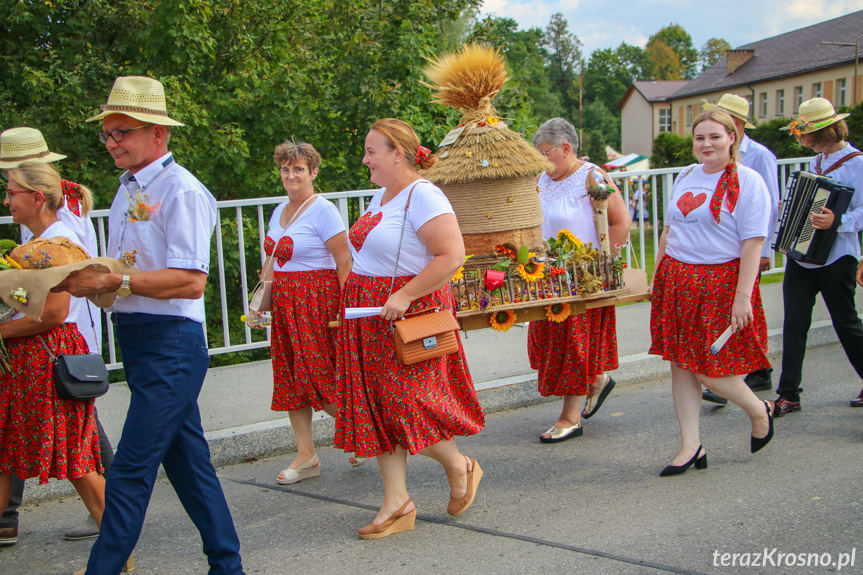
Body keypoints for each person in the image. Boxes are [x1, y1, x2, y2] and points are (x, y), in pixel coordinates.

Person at [55, 76, 243, 574]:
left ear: (157, 133)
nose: (113, 142)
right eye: (108, 134)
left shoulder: (181, 190)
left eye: (123, 132)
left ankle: (104, 568)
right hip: (142, 340)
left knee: (130, 470)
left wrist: (114, 279)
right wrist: (85, 284)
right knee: (189, 468)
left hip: (171, 345)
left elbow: (189, 281)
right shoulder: (127, 190)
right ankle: (228, 566)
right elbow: (126, 274)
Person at [335, 118, 484, 539]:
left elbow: (452, 254)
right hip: (369, 316)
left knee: (408, 404)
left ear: (397, 153)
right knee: (379, 408)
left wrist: (402, 295)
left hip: (406, 314)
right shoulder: (380, 196)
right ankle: (396, 502)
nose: (364, 159)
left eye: (371, 151)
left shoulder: (424, 195)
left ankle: (460, 465)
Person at [0, 127, 113, 546]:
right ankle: (118, 535)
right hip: (34, 357)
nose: (6, 199)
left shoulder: (55, 243)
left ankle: (118, 536)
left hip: (47, 357)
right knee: (12, 451)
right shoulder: (35, 240)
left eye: (11, 192)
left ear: (36, 197)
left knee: (76, 459)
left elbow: (55, 313)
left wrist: (2, 328)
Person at [649, 108, 777, 476]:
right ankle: (691, 445)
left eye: (715, 137)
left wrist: (743, 296)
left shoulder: (748, 181)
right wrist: (659, 276)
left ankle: (758, 410)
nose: (706, 144)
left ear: (732, 137)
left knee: (710, 369)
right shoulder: (686, 175)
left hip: (721, 283)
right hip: (678, 279)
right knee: (681, 366)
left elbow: (753, 243)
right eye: (700, 138)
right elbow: (670, 230)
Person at [248, 140, 354, 484]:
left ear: (313, 172)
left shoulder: (323, 210)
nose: (290, 175)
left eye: (298, 169)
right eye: (285, 169)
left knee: (319, 377)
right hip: (285, 303)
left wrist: (347, 307)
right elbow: (273, 258)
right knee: (291, 377)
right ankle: (306, 454)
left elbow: (343, 260)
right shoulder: (279, 210)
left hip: (316, 301)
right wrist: (259, 301)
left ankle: (363, 431)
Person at [529, 118, 631, 442]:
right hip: (548, 276)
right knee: (550, 344)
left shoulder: (592, 177)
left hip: (582, 278)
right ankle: (596, 381)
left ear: (566, 148)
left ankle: (570, 416)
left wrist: (600, 265)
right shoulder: (542, 179)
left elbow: (620, 222)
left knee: (574, 347)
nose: (542, 160)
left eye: (545, 153)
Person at [774, 98, 863, 415]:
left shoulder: (857, 163)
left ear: (826, 131)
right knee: (794, 325)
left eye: (807, 133)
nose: (803, 138)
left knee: (846, 323)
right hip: (802, 256)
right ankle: (788, 395)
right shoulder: (817, 163)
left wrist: (838, 221)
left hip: (838, 257)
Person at [701, 94, 781, 403]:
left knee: (745, 311)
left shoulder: (759, 155)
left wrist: (764, 249)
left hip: (747, 244)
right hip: (726, 244)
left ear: (735, 125)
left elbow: (770, 203)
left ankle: (756, 370)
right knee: (730, 316)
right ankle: (726, 375)